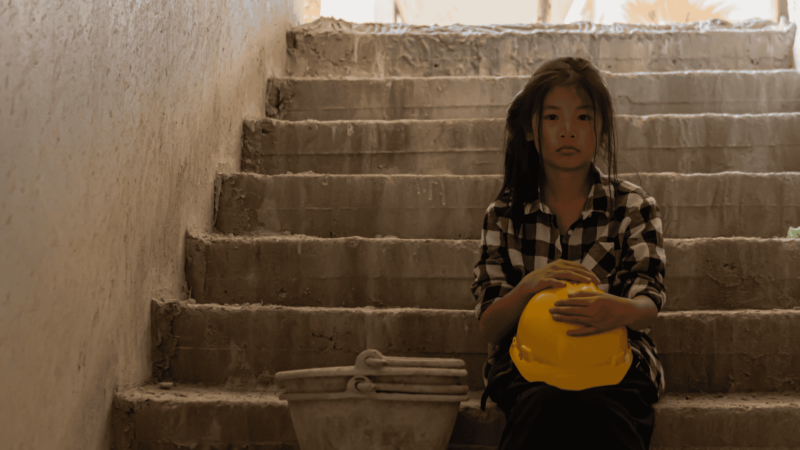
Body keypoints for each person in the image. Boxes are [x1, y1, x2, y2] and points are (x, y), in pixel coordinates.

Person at [470, 56, 667, 449]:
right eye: (552, 118)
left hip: (618, 359)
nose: (568, 131)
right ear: (531, 128)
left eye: (582, 118)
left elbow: (649, 302)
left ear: (601, 129)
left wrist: (616, 310)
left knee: (599, 408)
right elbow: (490, 327)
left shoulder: (634, 206)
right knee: (545, 404)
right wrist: (528, 287)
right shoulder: (504, 215)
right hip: (528, 364)